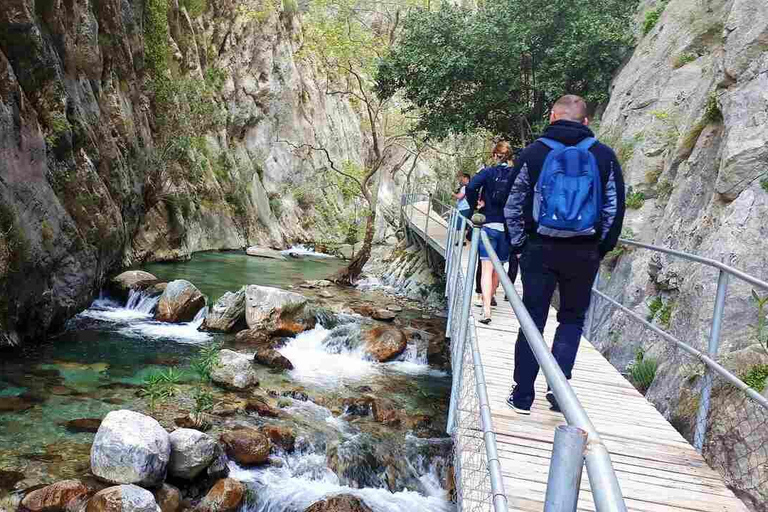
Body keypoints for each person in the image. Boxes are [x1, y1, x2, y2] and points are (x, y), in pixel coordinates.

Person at [503, 94, 626, 415]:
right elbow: (614, 207)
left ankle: (523, 395)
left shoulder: (533, 153)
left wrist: (520, 246)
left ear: (552, 116)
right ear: (586, 122)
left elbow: (512, 203)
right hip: (584, 252)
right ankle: (559, 392)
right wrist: (600, 248)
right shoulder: (604, 156)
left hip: (538, 250)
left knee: (532, 320)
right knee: (571, 319)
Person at [465, 141, 517, 325]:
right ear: (510, 156)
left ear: (495, 155)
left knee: (486, 269)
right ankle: (492, 295)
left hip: (488, 224)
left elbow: (470, 187)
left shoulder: (488, 172)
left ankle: (486, 309)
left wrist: (475, 206)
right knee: (498, 268)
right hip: (507, 228)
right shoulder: (515, 174)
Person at [453, 173, 471, 243]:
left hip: (464, 208)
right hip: (465, 208)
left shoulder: (465, 187)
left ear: (466, 178)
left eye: (462, 178)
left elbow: (460, 196)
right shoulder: (470, 186)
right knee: (462, 225)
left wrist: (453, 194)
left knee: (461, 225)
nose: (461, 180)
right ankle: (460, 240)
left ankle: (461, 241)